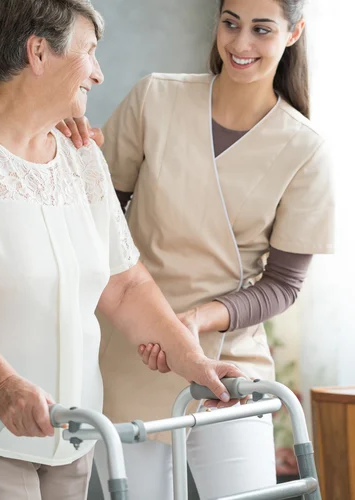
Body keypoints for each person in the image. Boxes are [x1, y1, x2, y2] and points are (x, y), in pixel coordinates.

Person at [0, 1, 244, 498]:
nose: (97, 73)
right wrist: (3, 387)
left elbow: (124, 282)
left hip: (71, 430)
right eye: (89, 52)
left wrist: (192, 360)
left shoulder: (81, 156)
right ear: (38, 52)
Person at [57, 0, 335, 497]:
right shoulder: (155, 99)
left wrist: (195, 321)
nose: (240, 44)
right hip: (131, 353)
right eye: (230, 24)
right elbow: (93, 216)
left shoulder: (305, 149)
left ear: (293, 34)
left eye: (261, 30)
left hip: (229, 366)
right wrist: (70, 150)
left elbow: (283, 285)